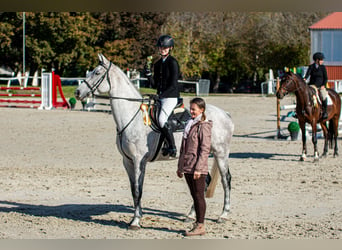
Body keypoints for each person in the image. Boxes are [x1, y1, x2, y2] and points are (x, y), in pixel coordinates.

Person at [177, 97, 213, 236]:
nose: (191, 111)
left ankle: (200, 225)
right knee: (194, 195)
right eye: (190, 109)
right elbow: (183, 148)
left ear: (201, 110)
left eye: (194, 109)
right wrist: (180, 166)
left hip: (198, 167)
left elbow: (205, 149)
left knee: (199, 196)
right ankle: (198, 223)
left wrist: (199, 168)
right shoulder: (189, 124)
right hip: (187, 165)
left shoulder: (204, 126)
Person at [145, 35, 180, 157]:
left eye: (165, 47)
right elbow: (155, 84)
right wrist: (149, 74)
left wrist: (161, 96)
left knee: (161, 120)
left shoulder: (173, 62)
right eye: (161, 47)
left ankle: (172, 147)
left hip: (170, 96)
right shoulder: (158, 63)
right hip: (161, 96)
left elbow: (173, 84)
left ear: (170, 48)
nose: (162, 49)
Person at [303, 52, 328, 120]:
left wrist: (323, 85)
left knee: (323, 96)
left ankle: (325, 111)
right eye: (321, 60)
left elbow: (325, 78)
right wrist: (304, 79)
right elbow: (307, 75)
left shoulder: (323, 67)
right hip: (312, 85)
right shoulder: (311, 67)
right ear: (317, 60)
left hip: (320, 86)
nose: (322, 61)